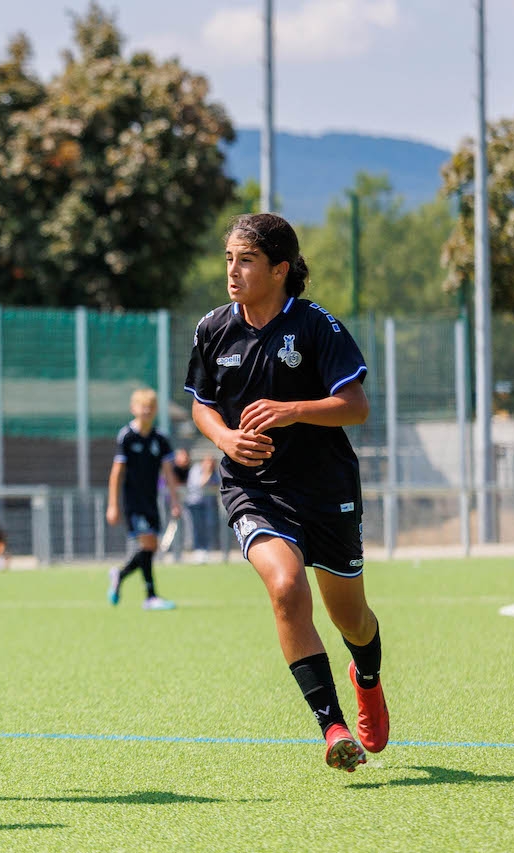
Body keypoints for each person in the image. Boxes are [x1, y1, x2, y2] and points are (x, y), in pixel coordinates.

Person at [184, 212, 388, 773]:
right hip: (254, 488)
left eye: (246, 260)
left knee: (352, 619)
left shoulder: (317, 326)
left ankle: (367, 677)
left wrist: (292, 409)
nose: (233, 271)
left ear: (279, 269)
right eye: (229, 258)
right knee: (285, 585)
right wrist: (225, 438)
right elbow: (201, 405)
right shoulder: (213, 328)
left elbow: (356, 407)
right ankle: (333, 727)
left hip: (325, 489)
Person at [105, 388, 182, 610]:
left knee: (151, 547)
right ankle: (150, 596)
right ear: (133, 409)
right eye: (142, 407)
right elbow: (116, 473)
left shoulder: (160, 438)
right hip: (133, 502)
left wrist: (174, 501)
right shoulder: (127, 436)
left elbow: (168, 473)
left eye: (150, 407)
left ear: (156, 410)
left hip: (151, 501)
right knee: (148, 543)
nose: (146, 411)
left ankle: (120, 575)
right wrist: (112, 505)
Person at [183, 451, 220, 561]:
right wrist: (207, 473)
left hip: (208, 505)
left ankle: (206, 549)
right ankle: (198, 549)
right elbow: (200, 484)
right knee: (197, 527)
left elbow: (217, 486)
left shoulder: (214, 473)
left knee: (208, 526)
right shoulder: (196, 470)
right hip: (195, 504)